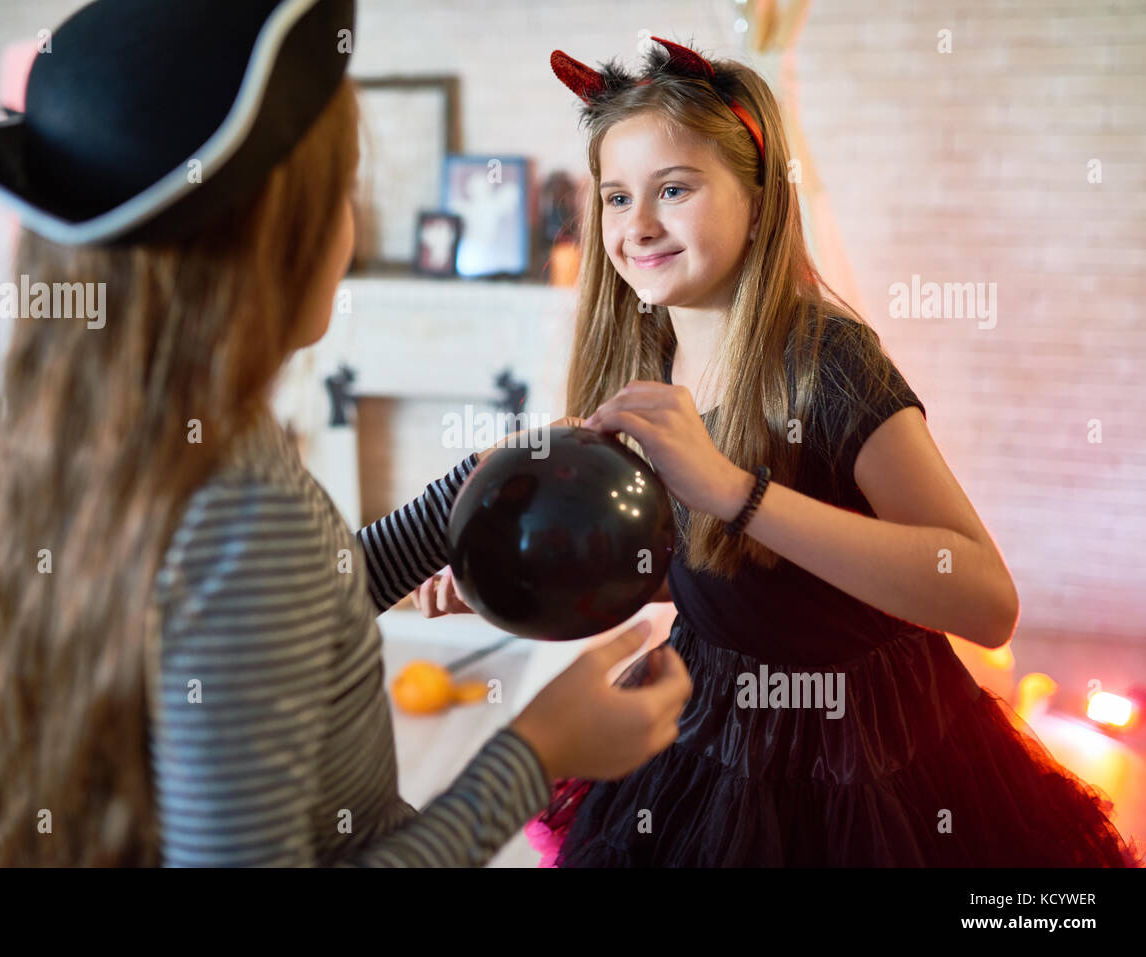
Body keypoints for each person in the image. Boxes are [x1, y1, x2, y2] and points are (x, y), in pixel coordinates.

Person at [0, 0, 691, 867]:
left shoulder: (164, 445)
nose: (352, 229)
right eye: (346, 193)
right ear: (271, 241)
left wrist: (454, 497)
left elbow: (307, 610)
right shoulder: (238, 511)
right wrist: (535, 754)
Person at [422, 37, 1143, 867]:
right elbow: (701, 573)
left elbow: (985, 598)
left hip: (867, 750)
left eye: (675, 189)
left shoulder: (831, 363)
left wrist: (737, 490)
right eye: (617, 197)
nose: (639, 225)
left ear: (761, 204)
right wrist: (524, 587)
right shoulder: (645, 360)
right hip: (710, 727)